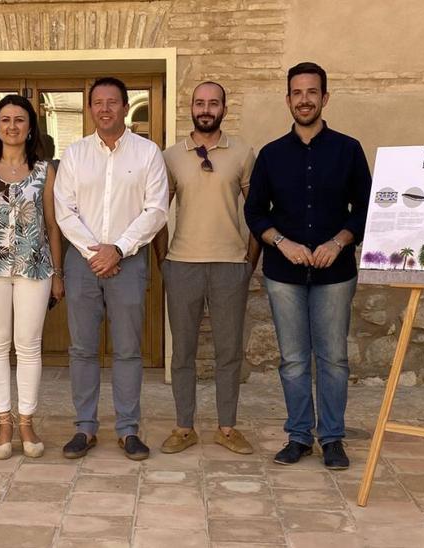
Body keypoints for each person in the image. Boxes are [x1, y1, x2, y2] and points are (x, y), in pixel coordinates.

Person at [244, 62, 372, 470]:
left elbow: (367, 209)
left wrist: (339, 241)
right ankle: (299, 435)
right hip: (284, 274)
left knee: (333, 358)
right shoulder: (270, 154)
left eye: (312, 92)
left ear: (324, 98)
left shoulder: (349, 150)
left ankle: (332, 438)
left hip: (336, 273)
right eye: (297, 93)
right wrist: (282, 242)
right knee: (294, 359)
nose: (304, 100)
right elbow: (254, 212)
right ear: (288, 100)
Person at [54, 77, 168, 461]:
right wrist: (95, 253)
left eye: (112, 102)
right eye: (98, 103)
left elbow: (157, 210)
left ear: (124, 106)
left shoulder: (147, 153)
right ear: (90, 109)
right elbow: (63, 211)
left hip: (129, 261)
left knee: (128, 349)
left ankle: (127, 429)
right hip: (83, 261)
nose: (105, 109)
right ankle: (84, 428)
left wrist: (117, 249)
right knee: (83, 349)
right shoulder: (74, 154)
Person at [154, 81, 259, 455]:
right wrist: (164, 263)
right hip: (182, 265)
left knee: (228, 351)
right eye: (200, 102)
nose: (206, 108)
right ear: (191, 108)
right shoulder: (170, 157)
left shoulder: (243, 153)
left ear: (224, 109)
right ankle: (184, 427)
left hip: (231, 265)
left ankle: (227, 428)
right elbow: (156, 214)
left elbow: (258, 212)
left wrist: (248, 262)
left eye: (213, 103)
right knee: (182, 352)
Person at [0, 95, 65, 460]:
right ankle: (3, 421)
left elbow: (52, 224)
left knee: (29, 346)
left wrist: (58, 273)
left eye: (20, 120)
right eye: (5, 120)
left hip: (35, 267)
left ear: (31, 126)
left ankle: (26, 421)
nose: (12, 126)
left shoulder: (45, 171)